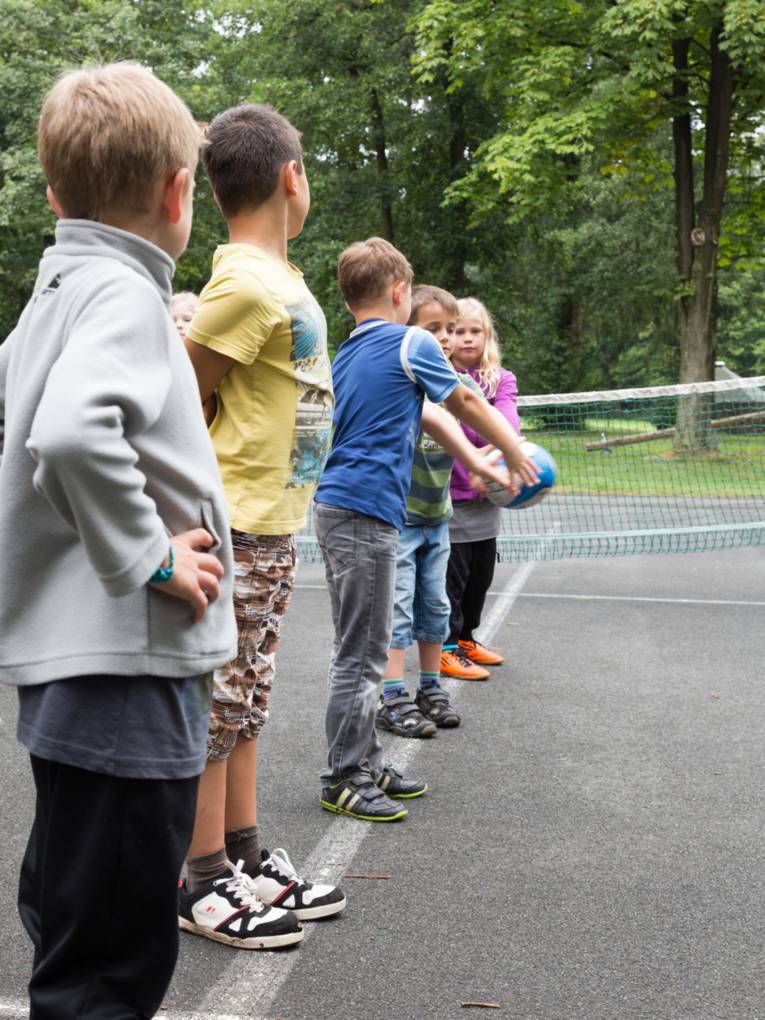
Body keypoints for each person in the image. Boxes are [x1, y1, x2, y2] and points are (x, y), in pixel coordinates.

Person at [0, 63, 239, 1019]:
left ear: (56, 192)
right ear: (181, 192)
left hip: (73, 678)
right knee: (111, 956)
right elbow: (66, 433)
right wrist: (149, 555)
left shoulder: (56, 293)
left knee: (70, 913)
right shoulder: (127, 295)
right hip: (126, 678)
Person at [181, 103, 344, 949]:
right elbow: (178, 393)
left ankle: (240, 850)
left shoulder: (279, 278)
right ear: (292, 177)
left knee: (247, 698)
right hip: (237, 523)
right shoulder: (243, 281)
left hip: (275, 526)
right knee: (220, 701)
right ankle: (200, 875)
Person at [314, 238, 538, 822]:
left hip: (345, 509)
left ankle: (363, 759)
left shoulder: (352, 349)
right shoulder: (410, 339)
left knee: (362, 645)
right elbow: (461, 398)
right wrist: (512, 451)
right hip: (362, 512)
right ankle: (343, 775)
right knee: (361, 653)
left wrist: (477, 460)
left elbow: (431, 413)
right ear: (399, 293)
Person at [376, 283, 490, 738]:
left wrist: (495, 461)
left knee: (435, 607)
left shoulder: (459, 385)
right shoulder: (405, 384)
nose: (445, 338)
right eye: (433, 329)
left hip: (436, 519)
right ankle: (391, 697)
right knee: (398, 611)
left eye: (452, 328)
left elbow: (481, 429)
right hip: (401, 521)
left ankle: (429, 688)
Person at [440, 296, 522, 680]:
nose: (467, 339)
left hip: (485, 500)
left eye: (475, 331)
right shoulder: (438, 376)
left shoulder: (501, 379)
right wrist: (478, 455)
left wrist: (484, 461)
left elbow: (509, 427)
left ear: (487, 336)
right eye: (458, 331)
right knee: (449, 580)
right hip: (448, 499)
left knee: (479, 577)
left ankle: (468, 637)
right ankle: (446, 646)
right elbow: (449, 431)